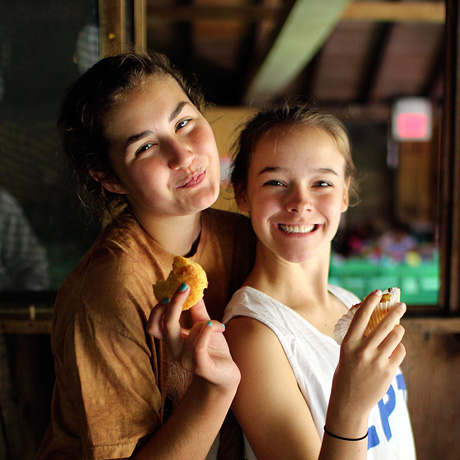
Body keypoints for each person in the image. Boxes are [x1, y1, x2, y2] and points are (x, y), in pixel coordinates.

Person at [36, 51, 255, 460]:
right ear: (108, 177)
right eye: (146, 147)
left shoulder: (244, 236)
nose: (183, 155)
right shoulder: (107, 290)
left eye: (184, 122)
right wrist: (215, 388)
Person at [223, 102, 416, 460]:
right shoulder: (253, 335)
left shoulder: (347, 303)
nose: (300, 202)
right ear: (242, 193)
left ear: (344, 194)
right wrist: (351, 405)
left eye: (322, 182)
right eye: (275, 182)